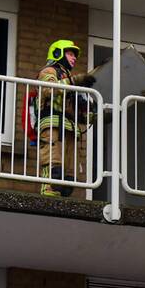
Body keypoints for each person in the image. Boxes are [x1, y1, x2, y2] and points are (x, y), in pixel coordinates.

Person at [36, 39, 95, 197]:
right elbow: (49, 89)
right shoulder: (49, 71)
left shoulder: (68, 78)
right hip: (52, 126)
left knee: (69, 175)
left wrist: (90, 115)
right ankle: (47, 195)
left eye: (75, 55)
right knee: (53, 166)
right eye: (70, 53)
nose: (74, 58)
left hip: (69, 128)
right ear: (58, 53)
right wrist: (75, 81)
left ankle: (62, 197)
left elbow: (76, 107)